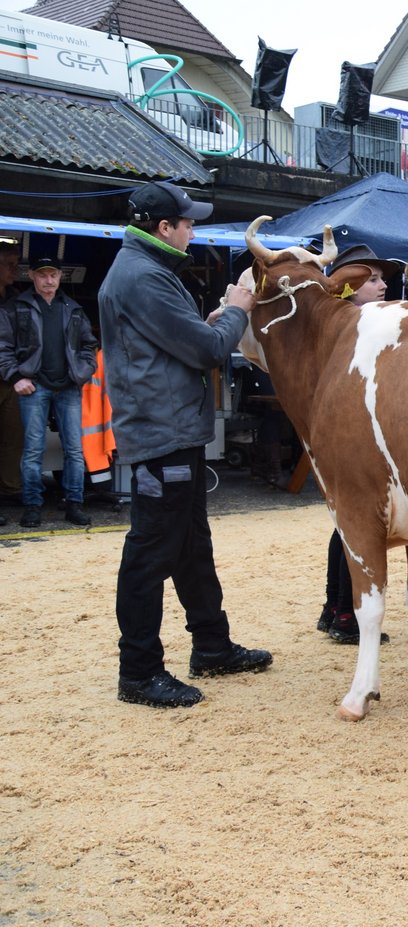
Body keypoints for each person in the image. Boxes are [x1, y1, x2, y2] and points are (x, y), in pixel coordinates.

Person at [98, 180, 272, 708]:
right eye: (188, 223)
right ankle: (139, 671)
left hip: (172, 430)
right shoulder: (145, 276)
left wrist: (206, 322)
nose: (194, 230)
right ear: (163, 228)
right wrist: (238, 309)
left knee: (192, 545)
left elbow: (176, 342)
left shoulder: (143, 270)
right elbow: (207, 352)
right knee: (151, 553)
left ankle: (212, 646)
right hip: (162, 433)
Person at [316, 244, 403, 644]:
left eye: (382, 277)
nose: (383, 285)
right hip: (350, 425)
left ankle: (335, 608)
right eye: (372, 279)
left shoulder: (362, 320)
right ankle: (347, 615)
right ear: (347, 287)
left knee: (345, 525)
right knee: (354, 523)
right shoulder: (350, 324)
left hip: (352, 424)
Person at [0, 256, 97, 528]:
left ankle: (74, 505)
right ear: (31, 275)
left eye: (53, 274)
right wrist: (16, 376)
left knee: (75, 450)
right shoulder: (16, 308)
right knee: (32, 451)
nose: (49, 280)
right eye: (42, 275)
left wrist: (83, 371)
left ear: (60, 276)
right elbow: (2, 346)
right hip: (34, 386)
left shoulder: (74, 309)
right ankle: (33, 507)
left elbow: (90, 345)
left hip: (68, 386)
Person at [0, 240, 23, 522]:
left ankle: (8, 490)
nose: (14, 270)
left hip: (10, 377)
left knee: (12, 438)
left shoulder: (16, 298)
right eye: (8, 265)